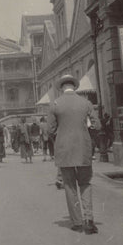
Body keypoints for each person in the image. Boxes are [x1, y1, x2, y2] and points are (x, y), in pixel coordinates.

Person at [48, 74, 100, 234]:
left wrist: (61, 134)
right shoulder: (86, 102)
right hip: (83, 149)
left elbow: (50, 129)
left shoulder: (55, 104)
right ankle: (89, 220)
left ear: (62, 87)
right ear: (74, 86)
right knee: (85, 183)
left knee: (70, 186)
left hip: (64, 151)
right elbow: (97, 125)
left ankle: (77, 222)